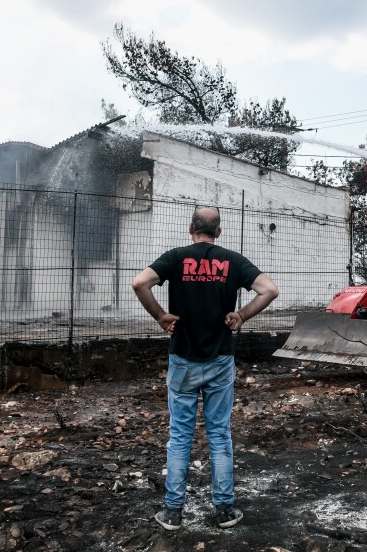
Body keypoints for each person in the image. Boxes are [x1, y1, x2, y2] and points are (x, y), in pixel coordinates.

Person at [132, 206, 279, 531]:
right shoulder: (232, 260)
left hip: (183, 360)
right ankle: (225, 511)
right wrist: (241, 316)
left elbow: (140, 283)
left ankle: (172, 512)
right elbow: (270, 290)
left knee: (180, 437)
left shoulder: (175, 257)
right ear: (219, 232)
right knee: (219, 435)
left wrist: (160, 316)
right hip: (220, 360)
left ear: (191, 229)